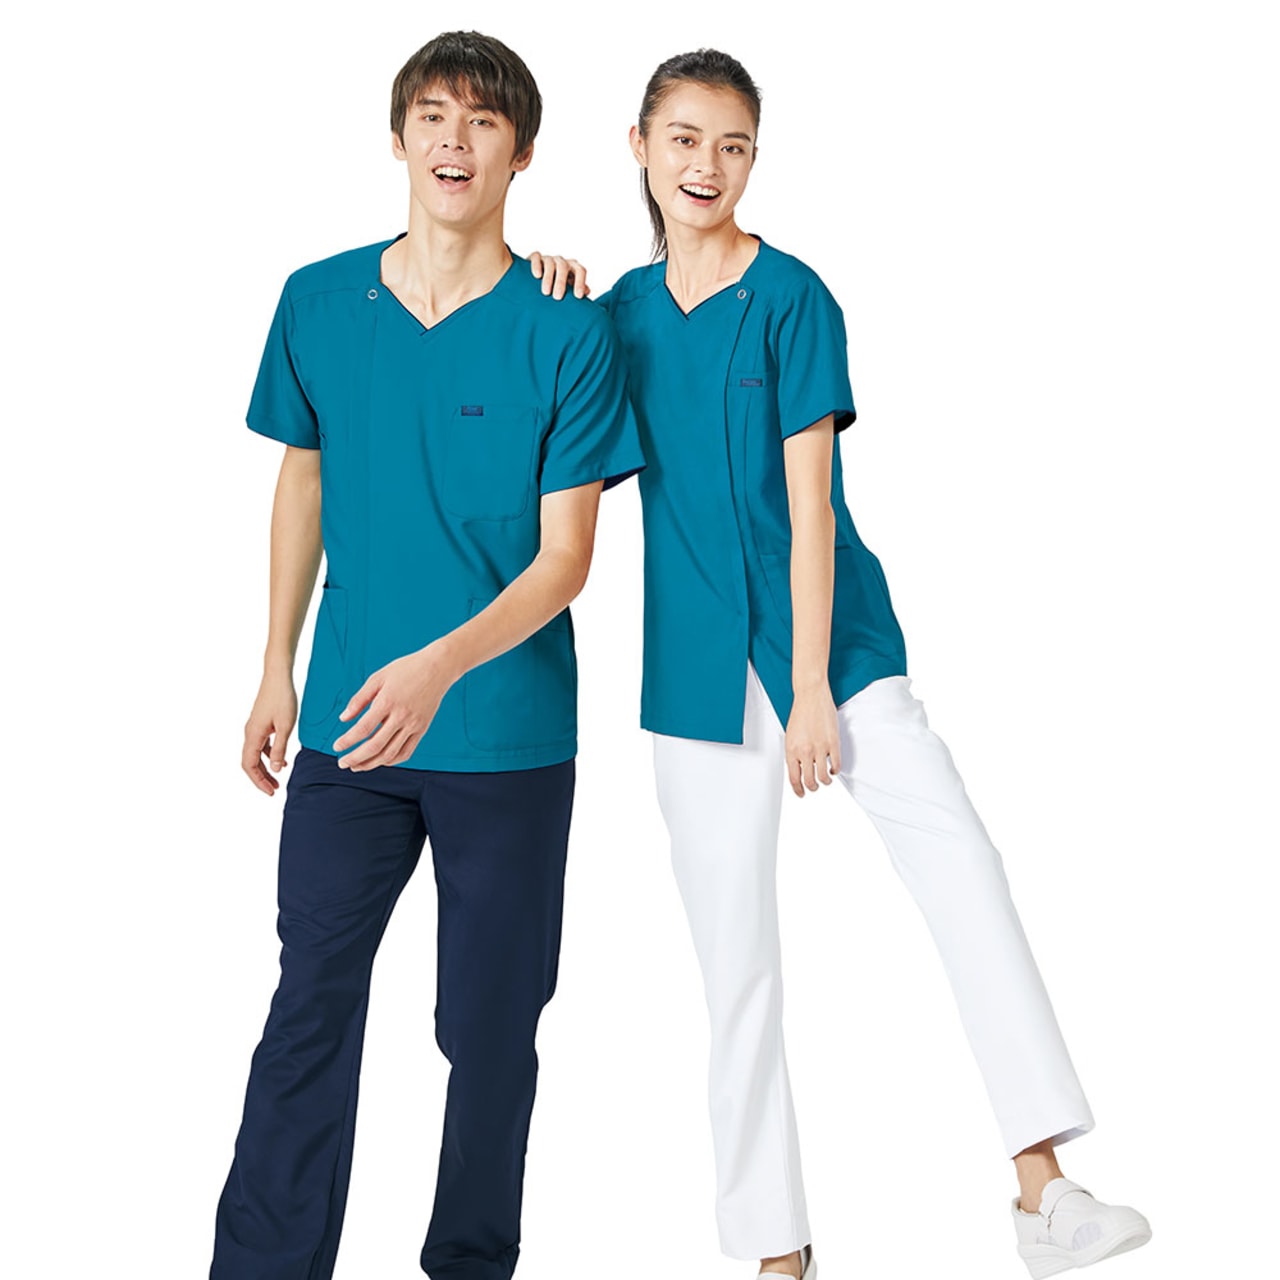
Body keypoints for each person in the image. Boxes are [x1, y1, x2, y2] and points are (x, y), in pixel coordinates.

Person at [536, 47, 1151, 1280]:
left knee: (960, 864)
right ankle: (777, 1253)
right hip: (694, 673)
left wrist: (813, 684)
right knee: (735, 961)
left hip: (837, 647)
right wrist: (544, 288)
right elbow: (556, 444)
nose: (706, 166)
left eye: (732, 145)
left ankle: (1042, 1186)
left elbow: (810, 506)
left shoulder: (793, 297)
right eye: (683, 139)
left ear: (752, 159)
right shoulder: (613, 321)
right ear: (639, 147)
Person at [210, 30, 644, 1280]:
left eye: (484, 121)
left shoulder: (565, 329)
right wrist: (276, 662)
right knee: (310, 1000)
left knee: (490, 1028)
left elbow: (565, 559)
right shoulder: (316, 301)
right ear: (397, 138)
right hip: (349, 726)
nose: (456, 141)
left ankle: (467, 1262)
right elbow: (302, 481)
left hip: (505, 739)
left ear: (522, 153)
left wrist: (436, 667)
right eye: (434, 117)